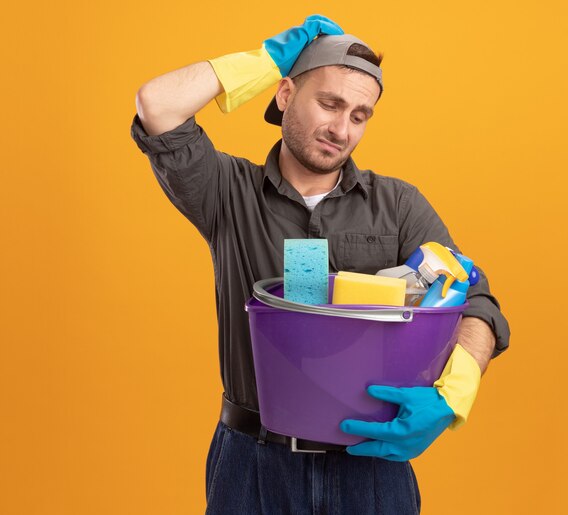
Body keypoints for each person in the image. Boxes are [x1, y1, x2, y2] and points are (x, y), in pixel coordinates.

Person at [130, 15, 510, 515]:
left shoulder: (398, 205)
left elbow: (475, 302)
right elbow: (158, 106)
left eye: (359, 115)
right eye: (329, 103)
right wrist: (265, 60)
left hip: (370, 471)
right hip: (252, 468)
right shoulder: (226, 192)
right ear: (285, 94)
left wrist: (452, 396)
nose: (341, 128)